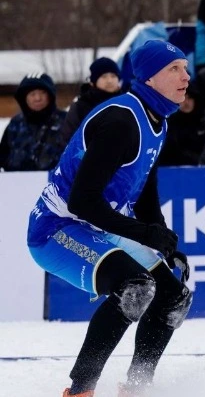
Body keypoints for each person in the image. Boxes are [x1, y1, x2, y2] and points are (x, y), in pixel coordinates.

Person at [26, 40, 193, 397]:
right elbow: (83, 201)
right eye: (174, 69)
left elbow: (145, 191)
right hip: (57, 229)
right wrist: (145, 233)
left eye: (185, 67)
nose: (186, 76)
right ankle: (80, 390)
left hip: (101, 225)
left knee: (173, 295)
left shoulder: (157, 119)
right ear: (148, 78)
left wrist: (161, 239)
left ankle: (135, 388)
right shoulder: (121, 120)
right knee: (134, 287)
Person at [0, 73, 66, 172]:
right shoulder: (16, 124)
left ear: (50, 95)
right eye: (32, 94)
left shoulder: (66, 121)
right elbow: (3, 156)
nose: (37, 98)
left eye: (42, 92)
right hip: (17, 183)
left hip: (56, 184)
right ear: (24, 98)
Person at [61, 57, 126, 143]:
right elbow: (69, 138)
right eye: (104, 77)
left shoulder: (128, 103)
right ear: (93, 81)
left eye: (113, 76)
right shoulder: (80, 107)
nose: (109, 80)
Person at [159, 82, 205, 166]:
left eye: (189, 98)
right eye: (182, 98)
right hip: (173, 171)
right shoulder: (167, 125)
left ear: (195, 99)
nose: (186, 102)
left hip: (204, 170)